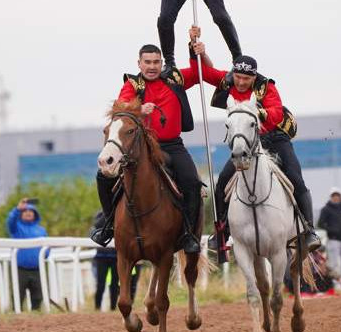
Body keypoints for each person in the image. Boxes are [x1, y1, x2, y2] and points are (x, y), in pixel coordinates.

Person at [190, 32, 321, 253]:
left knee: (295, 176)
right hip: (245, 143)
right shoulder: (229, 80)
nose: (241, 82)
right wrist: (197, 51)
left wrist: (256, 111)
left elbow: (277, 113)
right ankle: (222, 233)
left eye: (246, 79)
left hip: (273, 138)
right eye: (238, 77)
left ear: (254, 78)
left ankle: (309, 230)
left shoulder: (266, 87)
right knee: (222, 181)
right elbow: (205, 73)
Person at [90, 42, 209, 254]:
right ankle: (108, 225)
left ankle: (189, 234)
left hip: (172, 145)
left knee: (192, 182)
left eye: (156, 62)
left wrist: (199, 51)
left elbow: (202, 71)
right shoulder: (132, 85)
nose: (152, 66)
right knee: (103, 177)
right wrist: (139, 110)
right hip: (141, 148)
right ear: (139, 63)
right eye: (147, 62)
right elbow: (121, 107)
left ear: (162, 63)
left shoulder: (175, 78)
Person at [90, 210, 140, 310]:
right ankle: (97, 307)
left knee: (114, 284)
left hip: (115, 257)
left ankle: (113, 308)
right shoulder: (101, 215)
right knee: (101, 284)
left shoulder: (122, 213)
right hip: (101, 257)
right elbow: (95, 228)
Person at [7, 199, 48, 311]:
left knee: (38, 297)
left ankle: (35, 319)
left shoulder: (41, 230)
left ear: (35, 214)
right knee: (17, 297)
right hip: (20, 269)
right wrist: (17, 209)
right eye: (25, 211)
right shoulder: (16, 228)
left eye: (31, 211)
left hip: (37, 269)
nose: (28, 213)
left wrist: (45, 255)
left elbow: (47, 246)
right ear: (21, 214)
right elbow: (10, 221)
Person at [317, 188, 341, 289]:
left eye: (338, 195)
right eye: (334, 195)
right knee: (334, 263)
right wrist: (331, 229)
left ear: (340, 196)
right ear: (331, 197)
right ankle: (336, 284)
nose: (336, 197)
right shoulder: (326, 209)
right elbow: (320, 223)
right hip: (333, 240)